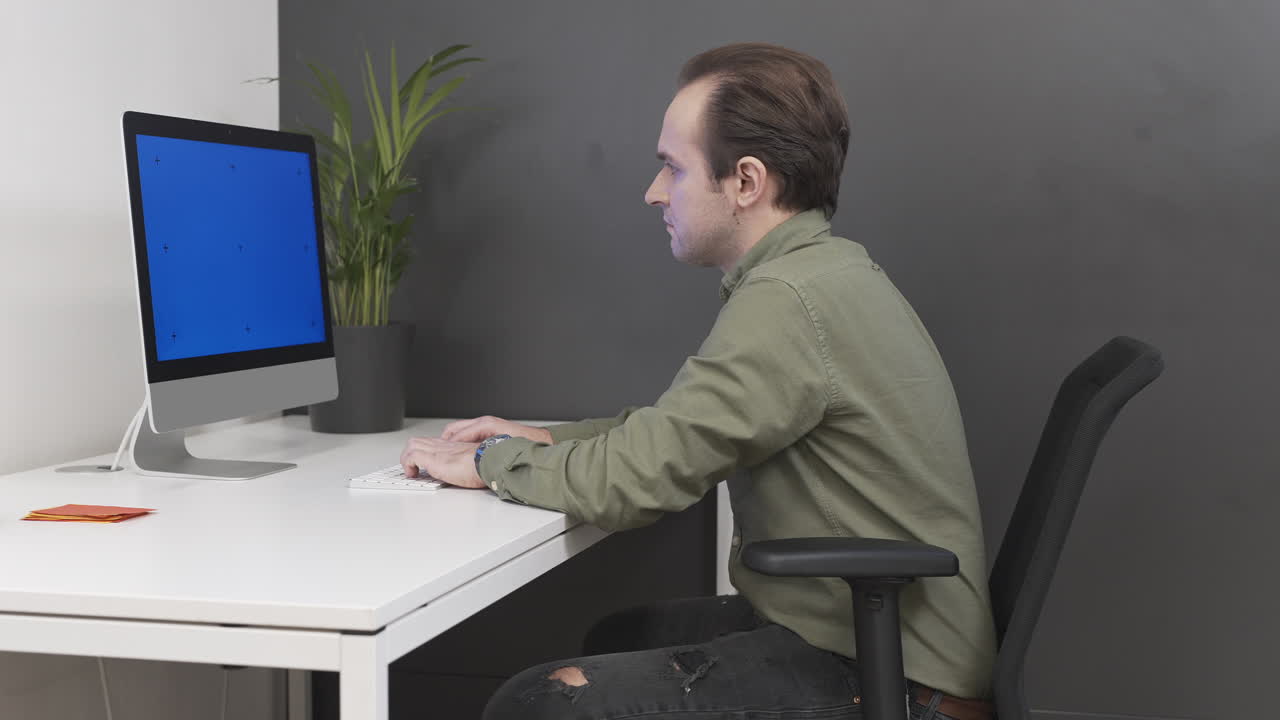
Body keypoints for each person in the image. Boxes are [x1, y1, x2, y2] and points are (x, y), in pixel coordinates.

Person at [400, 42, 996, 720]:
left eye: (672, 168)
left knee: (539, 703)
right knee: (619, 638)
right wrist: (539, 437)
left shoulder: (788, 302)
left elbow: (635, 480)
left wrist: (489, 462)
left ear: (745, 181)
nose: (654, 191)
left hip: (894, 674)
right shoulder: (822, 275)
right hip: (874, 639)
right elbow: (671, 432)